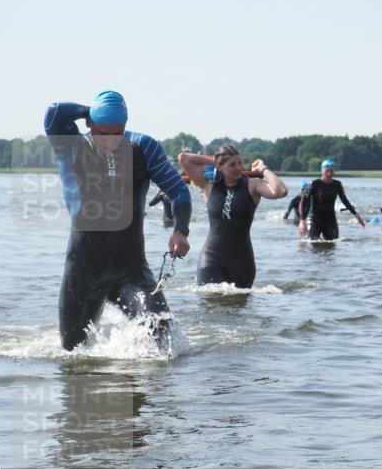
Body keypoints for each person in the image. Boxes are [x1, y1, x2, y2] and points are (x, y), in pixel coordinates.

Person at [44, 91, 191, 351]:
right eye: (104, 133)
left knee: (162, 332)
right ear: (89, 123)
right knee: (72, 352)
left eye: (118, 132)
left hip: (130, 269)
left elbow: (178, 191)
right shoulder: (71, 145)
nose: (112, 140)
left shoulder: (143, 147)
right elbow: (55, 111)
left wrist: (180, 231)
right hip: (83, 269)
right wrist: (92, 110)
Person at [180, 145, 287, 288]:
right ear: (221, 166)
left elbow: (281, 191)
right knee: (210, 307)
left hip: (242, 263)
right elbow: (184, 158)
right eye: (232, 164)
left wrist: (263, 169)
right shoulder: (208, 185)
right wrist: (215, 164)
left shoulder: (252, 185)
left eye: (240, 163)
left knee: (239, 308)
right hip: (211, 260)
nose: (239, 168)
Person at [298, 158, 366, 239]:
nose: (329, 173)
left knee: (332, 245)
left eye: (331, 171)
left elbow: (345, 201)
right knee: (313, 246)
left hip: (330, 220)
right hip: (315, 220)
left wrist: (357, 216)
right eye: (327, 171)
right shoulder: (314, 184)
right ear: (322, 171)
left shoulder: (337, 185)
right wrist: (302, 221)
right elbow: (303, 202)